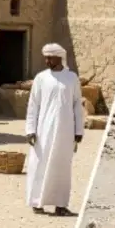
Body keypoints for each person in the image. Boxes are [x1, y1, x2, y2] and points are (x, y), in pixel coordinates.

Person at [25, 43, 85, 216]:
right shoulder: (41, 78)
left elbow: (77, 105)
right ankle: (37, 202)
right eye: (46, 57)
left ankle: (60, 205)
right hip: (43, 130)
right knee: (39, 164)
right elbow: (33, 105)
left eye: (50, 57)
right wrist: (30, 129)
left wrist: (78, 130)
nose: (47, 60)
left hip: (65, 131)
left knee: (62, 167)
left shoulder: (72, 78)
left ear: (60, 57)